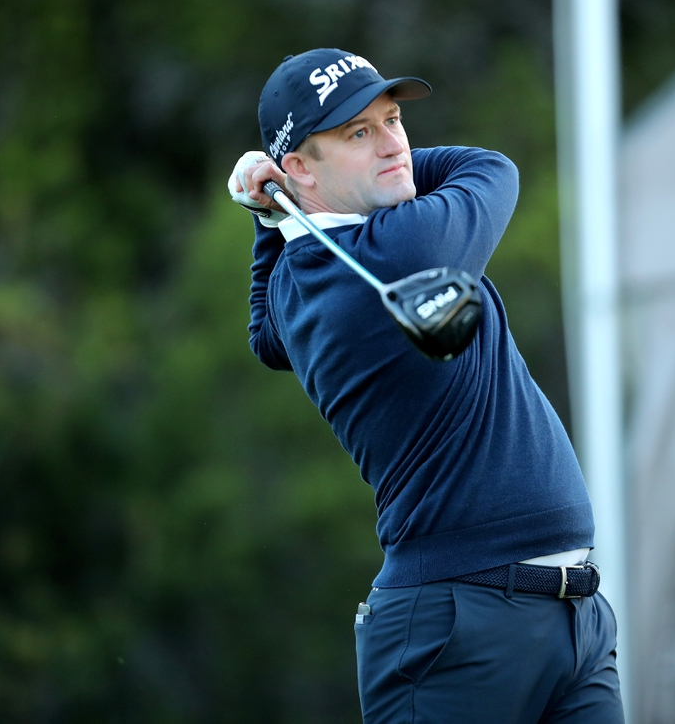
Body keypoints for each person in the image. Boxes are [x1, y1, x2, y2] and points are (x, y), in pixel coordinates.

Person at [227, 48, 624, 723]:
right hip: (459, 629)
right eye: (359, 133)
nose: (393, 145)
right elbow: (489, 167)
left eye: (394, 120)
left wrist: (271, 213)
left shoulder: (298, 282)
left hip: (569, 620)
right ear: (299, 166)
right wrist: (279, 204)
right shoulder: (405, 246)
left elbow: (265, 337)